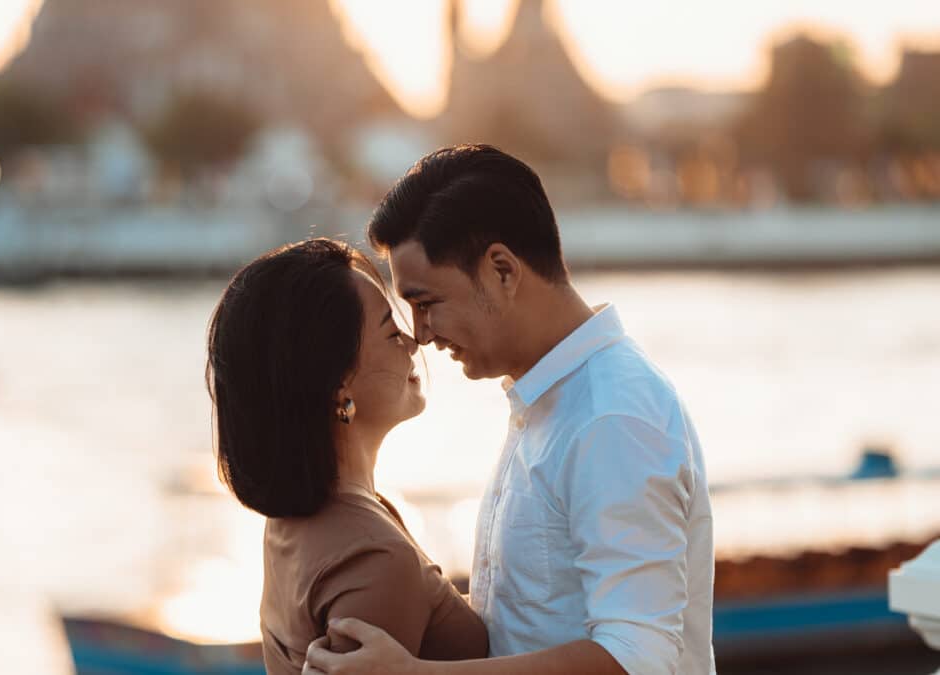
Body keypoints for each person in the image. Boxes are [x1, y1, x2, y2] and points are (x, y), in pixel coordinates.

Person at [303, 145, 715, 675]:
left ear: (502, 270)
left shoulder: (611, 417)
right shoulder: (551, 402)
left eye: (426, 304)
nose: (421, 335)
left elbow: (639, 659)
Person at [205, 238, 488, 674]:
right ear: (339, 382)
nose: (414, 342)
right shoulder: (372, 557)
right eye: (392, 331)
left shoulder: (299, 521)